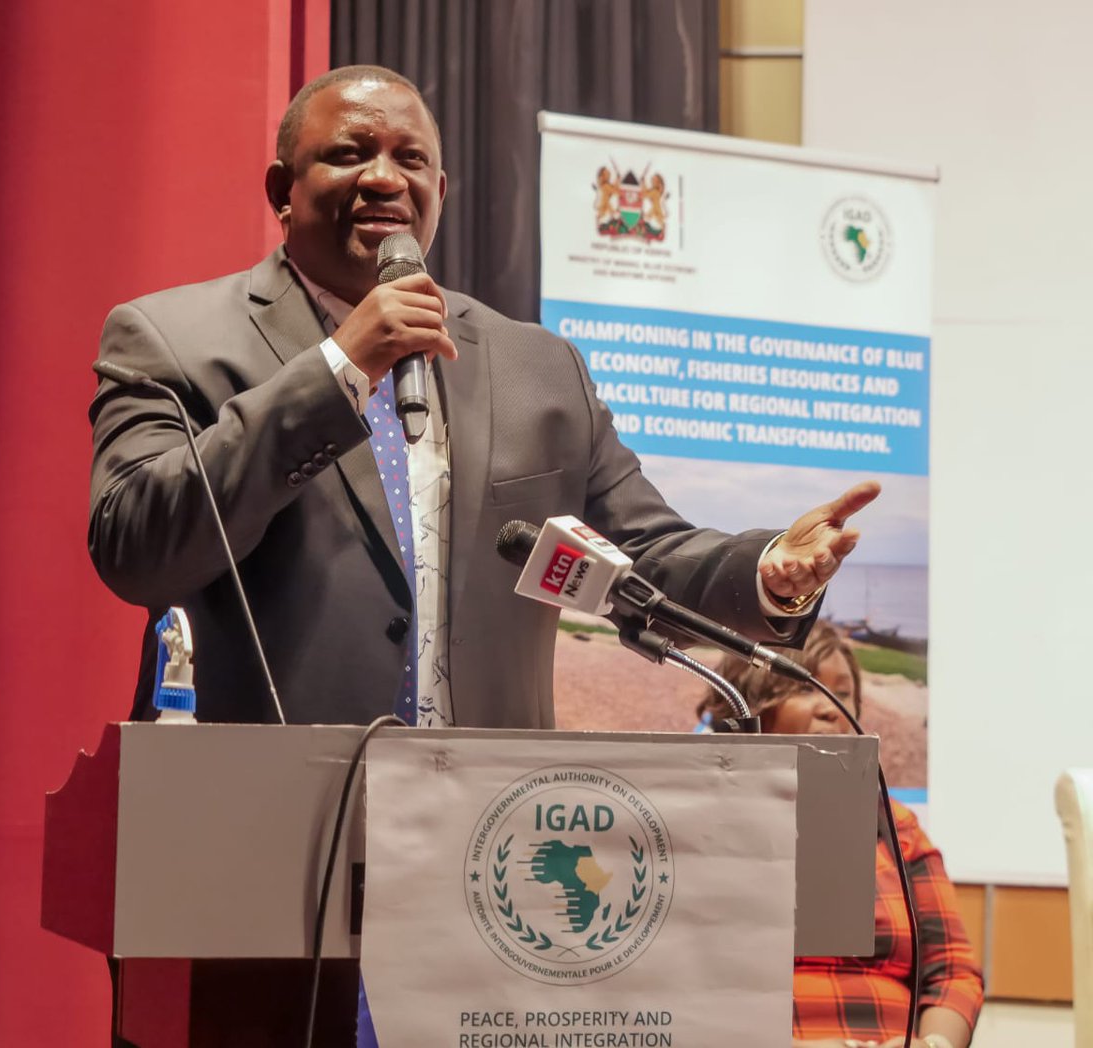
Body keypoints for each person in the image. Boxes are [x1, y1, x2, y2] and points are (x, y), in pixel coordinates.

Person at [88, 62, 879, 732]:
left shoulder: (538, 368)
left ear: (438, 189)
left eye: (409, 158)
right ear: (282, 190)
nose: (383, 177)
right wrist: (337, 368)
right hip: (257, 816)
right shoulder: (171, 338)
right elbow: (137, 550)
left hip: (486, 825)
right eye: (350, 153)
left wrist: (772, 569)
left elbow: (645, 555)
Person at [699, 622, 983, 1048]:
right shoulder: (698, 827)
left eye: (843, 693)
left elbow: (953, 969)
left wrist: (934, 1045)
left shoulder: (896, 825)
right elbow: (679, 985)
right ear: (748, 707)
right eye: (806, 688)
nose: (831, 708)